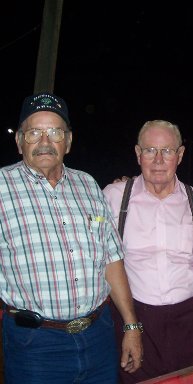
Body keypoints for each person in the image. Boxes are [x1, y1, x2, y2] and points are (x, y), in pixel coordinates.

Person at [0, 92, 143, 384]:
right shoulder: (1, 187)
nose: (44, 141)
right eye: (34, 132)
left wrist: (131, 325)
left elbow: (111, 259)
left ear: (68, 141)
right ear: (19, 141)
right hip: (34, 347)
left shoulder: (88, 184)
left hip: (99, 335)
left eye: (55, 132)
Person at [103, 119, 193, 383]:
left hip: (192, 324)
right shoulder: (114, 197)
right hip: (135, 320)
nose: (159, 159)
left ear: (180, 155)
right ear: (138, 154)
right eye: (150, 150)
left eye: (168, 151)